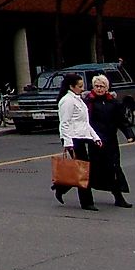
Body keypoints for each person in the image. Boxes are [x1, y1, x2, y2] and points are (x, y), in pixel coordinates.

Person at [53, 71, 103, 210]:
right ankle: (87, 202)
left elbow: (85, 123)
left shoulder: (78, 99)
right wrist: (68, 143)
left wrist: (95, 137)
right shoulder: (67, 101)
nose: (82, 88)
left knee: (82, 170)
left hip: (83, 137)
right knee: (83, 171)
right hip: (74, 139)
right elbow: (65, 123)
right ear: (71, 86)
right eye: (80, 86)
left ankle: (61, 187)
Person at [84, 73, 135, 208]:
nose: (99, 89)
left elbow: (121, 121)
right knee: (93, 170)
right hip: (95, 142)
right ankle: (64, 188)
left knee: (113, 168)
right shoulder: (88, 102)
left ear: (107, 88)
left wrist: (129, 134)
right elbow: (84, 122)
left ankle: (119, 197)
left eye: (102, 86)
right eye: (96, 86)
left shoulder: (113, 102)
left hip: (111, 142)